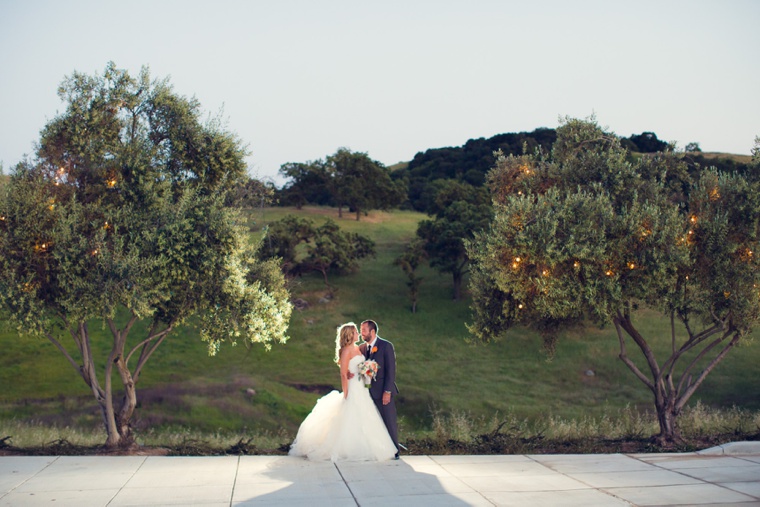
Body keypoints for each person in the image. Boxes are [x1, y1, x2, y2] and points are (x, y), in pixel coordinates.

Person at [289, 322, 397, 461]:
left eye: (361, 331)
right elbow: (343, 374)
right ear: (350, 334)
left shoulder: (359, 348)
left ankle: (369, 447)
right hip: (353, 388)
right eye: (356, 331)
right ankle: (348, 449)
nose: (359, 333)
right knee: (352, 415)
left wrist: (367, 371)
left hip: (362, 387)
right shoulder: (346, 350)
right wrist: (346, 392)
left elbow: (360, 367)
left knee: (366, 416)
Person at [359, 319, 400, 459]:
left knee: (389, 421)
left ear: (372, 331)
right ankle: (379, 451)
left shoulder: (386, 346)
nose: (361, 333)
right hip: (367, 393)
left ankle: (395, 451)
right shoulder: (362, 348)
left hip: (383, 392)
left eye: (363, 330)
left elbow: (391, 371)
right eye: (361, 330)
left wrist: (387, 391)